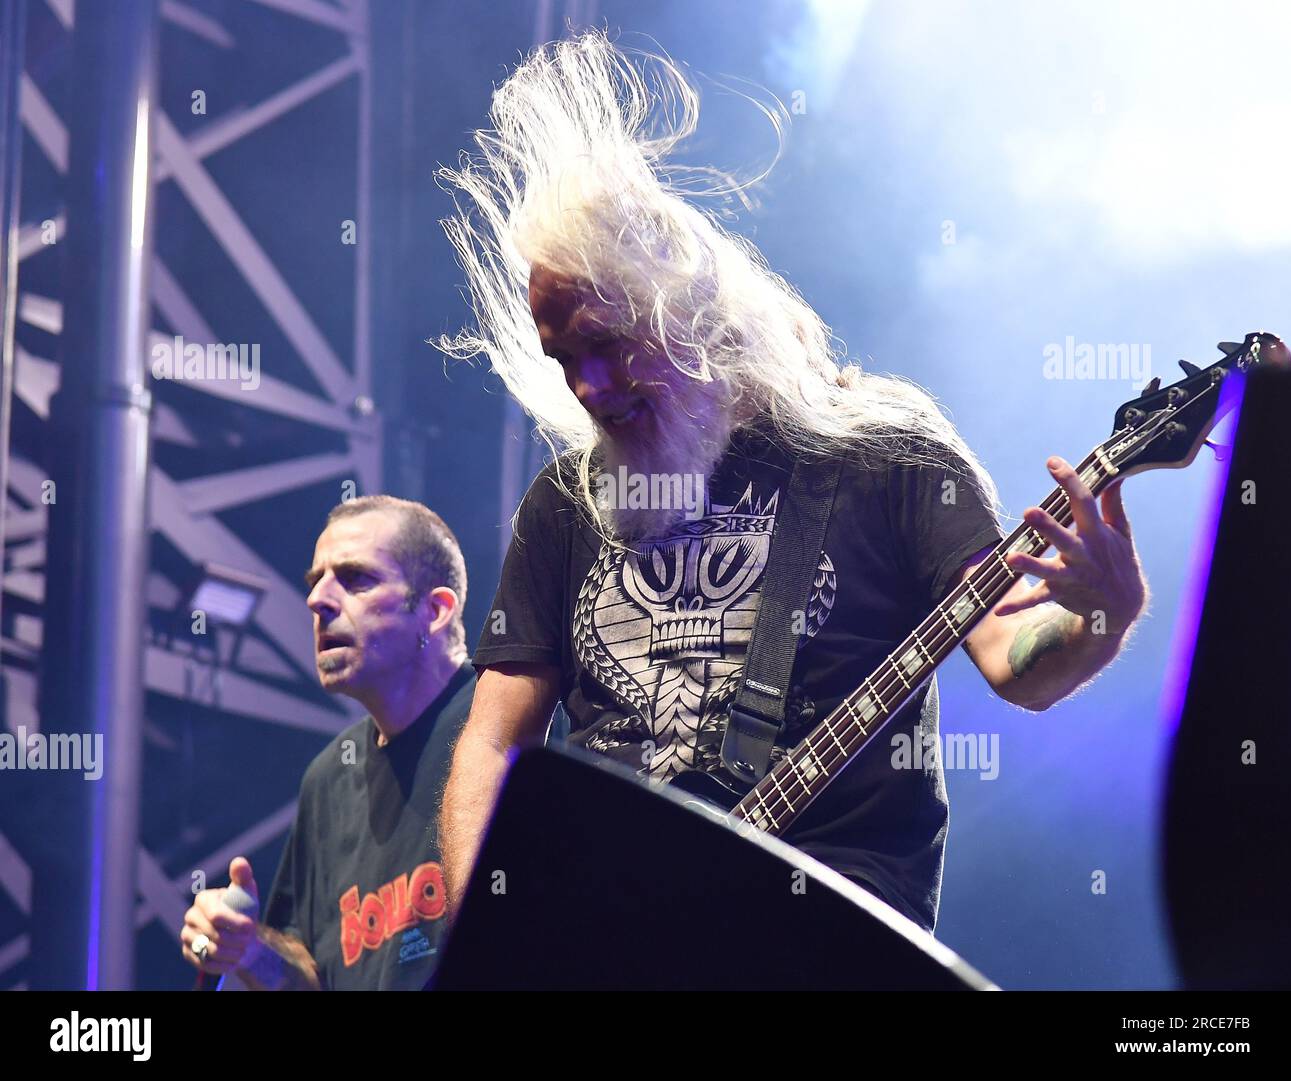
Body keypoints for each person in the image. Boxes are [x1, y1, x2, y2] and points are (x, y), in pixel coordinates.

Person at [435, 31, 1147, 933]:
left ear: (685, 311)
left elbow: (1017, 661)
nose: (587, 387)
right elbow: (491, 746)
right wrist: (485, 932)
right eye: (564, 358)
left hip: (823, 936)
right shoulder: (564, 508)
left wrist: (1096, 612)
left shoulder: (885, 455)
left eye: (608, 345)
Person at [179, 496, 475, 989]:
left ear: (436, 610)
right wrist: (248, 951)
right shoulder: (330, 779)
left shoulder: (504, 725)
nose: (318, 600)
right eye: (315, 581)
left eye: (356, 578)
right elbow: (312, 981)